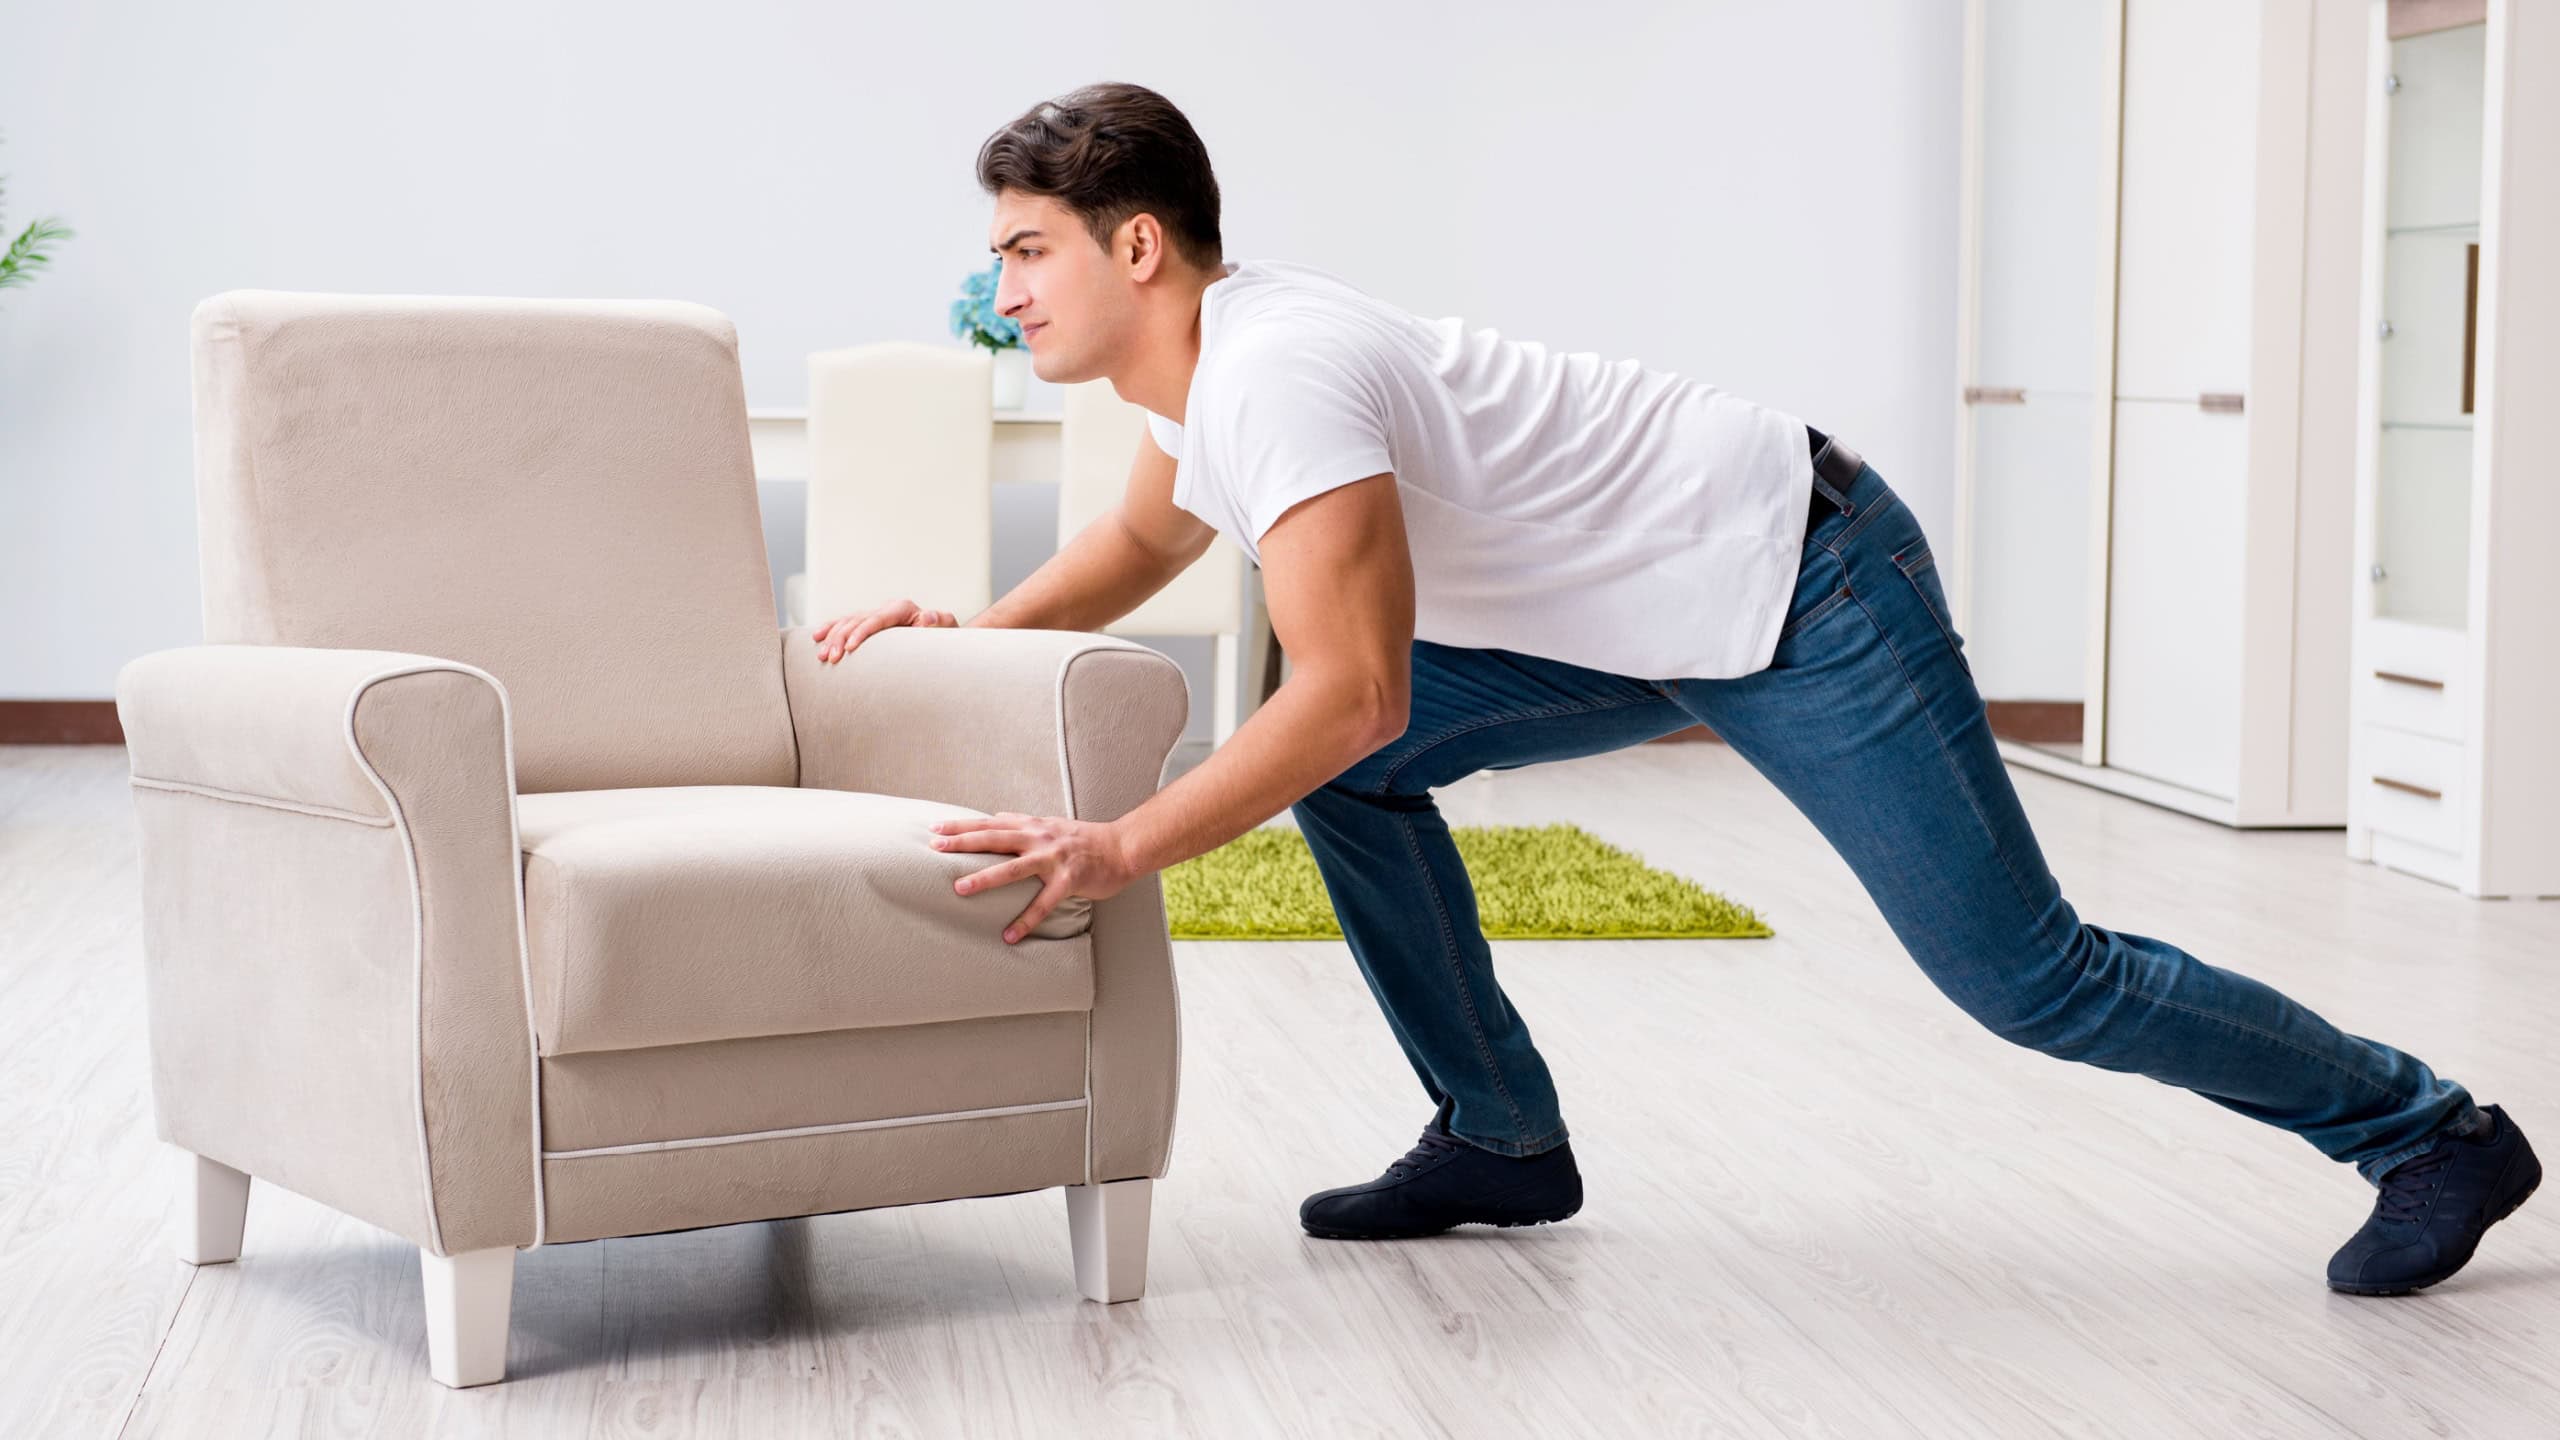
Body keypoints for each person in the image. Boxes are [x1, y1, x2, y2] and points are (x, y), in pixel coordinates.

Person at [810, 81, 2538, 1296]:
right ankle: (1502, 1139)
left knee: (2027, 978)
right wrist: (971, 634)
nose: (1000, 289)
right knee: (1347, 770)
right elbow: (1142, 542)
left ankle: (2429, 1133)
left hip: (1802, 579)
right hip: (1629, 615)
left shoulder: (1280, 375)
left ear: (1135, 249)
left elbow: (1350, 690)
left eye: (1026, 249)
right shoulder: (1200, 369)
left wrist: (1121, 848)